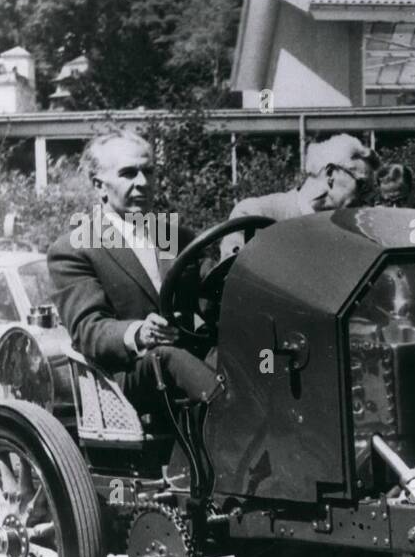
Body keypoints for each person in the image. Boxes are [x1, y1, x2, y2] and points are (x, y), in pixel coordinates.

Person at [48, 131, 222, 416]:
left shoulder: (174, 235)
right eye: (129, 173)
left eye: (148, 172)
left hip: (190, 366)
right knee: (167, 356)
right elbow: (88, 329)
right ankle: (233, 416)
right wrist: (139, 332)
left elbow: (213, 296)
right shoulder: (76, 247)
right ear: (99, 186)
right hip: (125, 378)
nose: (143, 183)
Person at [219, 134, 380, 257]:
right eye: (362, 185)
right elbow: (230, 281)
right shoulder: (254, 214)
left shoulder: (347, 235)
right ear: (331, 174)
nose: (367, 199)